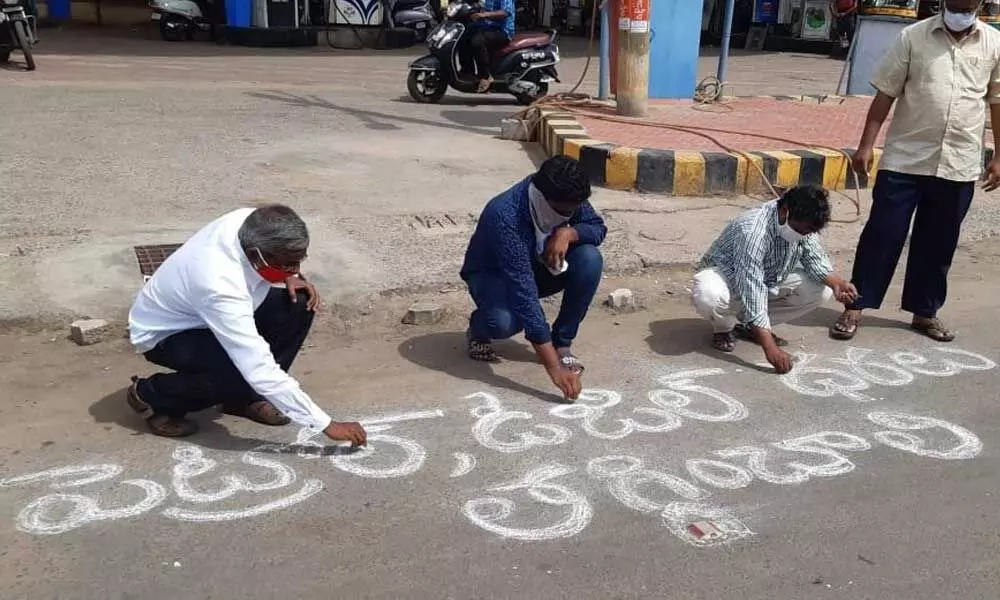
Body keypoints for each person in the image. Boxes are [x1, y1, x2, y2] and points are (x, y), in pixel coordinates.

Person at [126, 204, 367, 447]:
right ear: (254, 255)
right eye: (286, 264)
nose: (295, 270)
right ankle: (152, 395)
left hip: (213, 311)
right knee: (241, 372)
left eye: (298, 261)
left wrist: (288, 273)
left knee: (299, 304)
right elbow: (257, 366)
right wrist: (326, 423)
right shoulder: (219, 284)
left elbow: (280, 257)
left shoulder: (252, 222)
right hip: (167, 334)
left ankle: (242, 399)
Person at [831, 0, 1000, 342]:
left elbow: (997, 101)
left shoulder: (994, 44)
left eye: (967, 6)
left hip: (958, 162)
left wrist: (999, 155)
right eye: (954, 4)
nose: (960, 11)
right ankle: (855, 304)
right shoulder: (913, 37)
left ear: (979, 5)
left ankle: (924, 313)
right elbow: (885, 95)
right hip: (905, 160)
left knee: (939, 243)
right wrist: (865, 146)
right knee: (882, 235)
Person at [460, 155, 607, 400]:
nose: (571, 212)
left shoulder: (568, 191)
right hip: (493, 276)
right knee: (505, 321)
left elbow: (597, 227)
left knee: (590, 259)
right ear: (546, 198)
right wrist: (554, 370)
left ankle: (563, 343)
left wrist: (570, 232)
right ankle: (478, 327)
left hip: (539, 267)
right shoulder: (506, 215)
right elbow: (523, 291)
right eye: (566, 211)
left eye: (575, 208)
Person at [692, 186, 859, 374]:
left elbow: (814, 257)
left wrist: (837, 283)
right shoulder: (752, 230)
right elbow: (751, 286)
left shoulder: (804, 223)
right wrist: (769, 348)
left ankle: (750, 326)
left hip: (768, 279)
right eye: (801, 230)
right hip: (728, 278)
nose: (804, 235)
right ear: (785, 211)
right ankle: (723, 328)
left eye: (808, 232)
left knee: (822, 290)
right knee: (709, 294)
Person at [467, 0, 515, 92]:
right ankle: (467, 71)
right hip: (486, 27)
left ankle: (486, 76)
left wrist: (485, 15)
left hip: (502, 30)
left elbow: (505, 13)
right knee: (464, 34)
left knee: (477, 41)